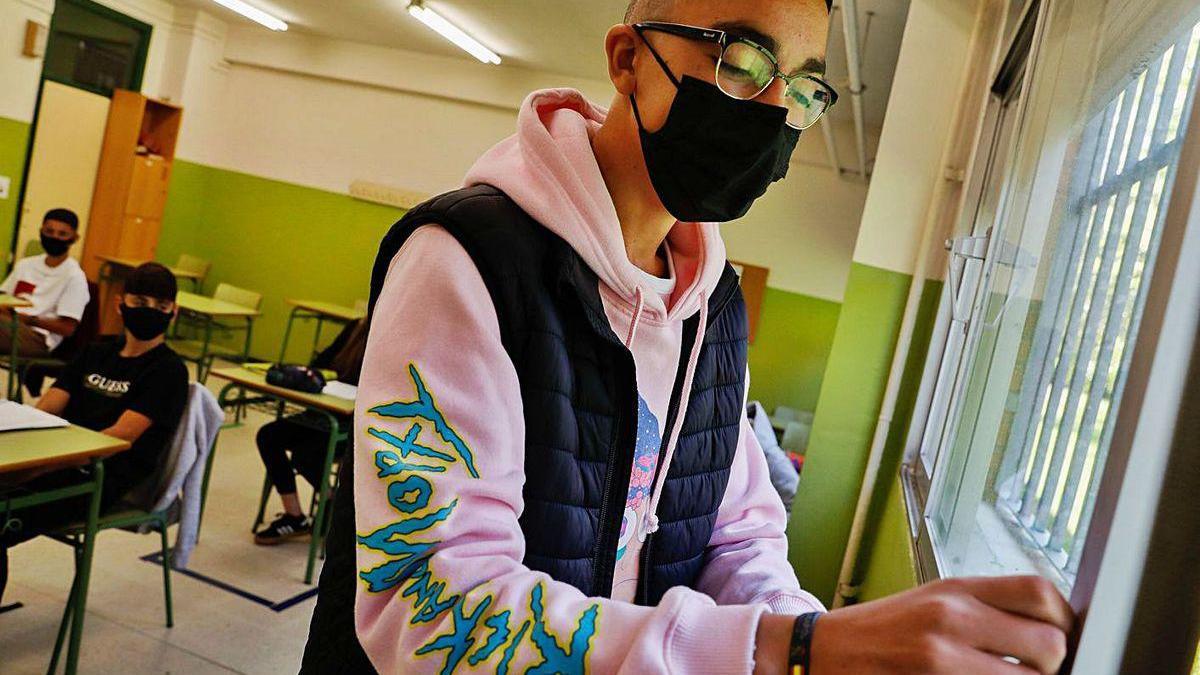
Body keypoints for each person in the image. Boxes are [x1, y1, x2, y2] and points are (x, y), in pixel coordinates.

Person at [303, 1, 1074, 673]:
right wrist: (788, 653)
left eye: (803, 88)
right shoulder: (467, 262)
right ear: (629, 58)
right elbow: (434, 612)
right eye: (741, 60)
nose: (773, 108)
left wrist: (806, 631)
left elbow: (738, 538)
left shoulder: (714, 307)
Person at [0, 263, 188, 605]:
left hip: (101, 477)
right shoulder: (96, 352)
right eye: (141, 301)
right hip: (57, 459)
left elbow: (114, 440)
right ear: (121, 303)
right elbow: (46, 410)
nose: (150, 312)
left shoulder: (168, 371)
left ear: (173, 313)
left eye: (161, 307)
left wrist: (39, 466)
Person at [253, 319, 367, 544]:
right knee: (268, 435)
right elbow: (321, 363)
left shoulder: (395, 334)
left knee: (305, 455)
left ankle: (331, 503)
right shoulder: (356, 326)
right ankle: (295, 516)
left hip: (352, 426)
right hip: (322, 413)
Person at [0, 208, 90, 357]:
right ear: (41, 231)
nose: (54, 237)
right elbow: (4, 295)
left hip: (38, 338)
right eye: (49, 231)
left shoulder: (74, 277)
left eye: (62, 234)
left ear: (74, 238)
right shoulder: (25, 264)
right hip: (8, 325)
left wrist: (30, 320)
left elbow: (67, 328)